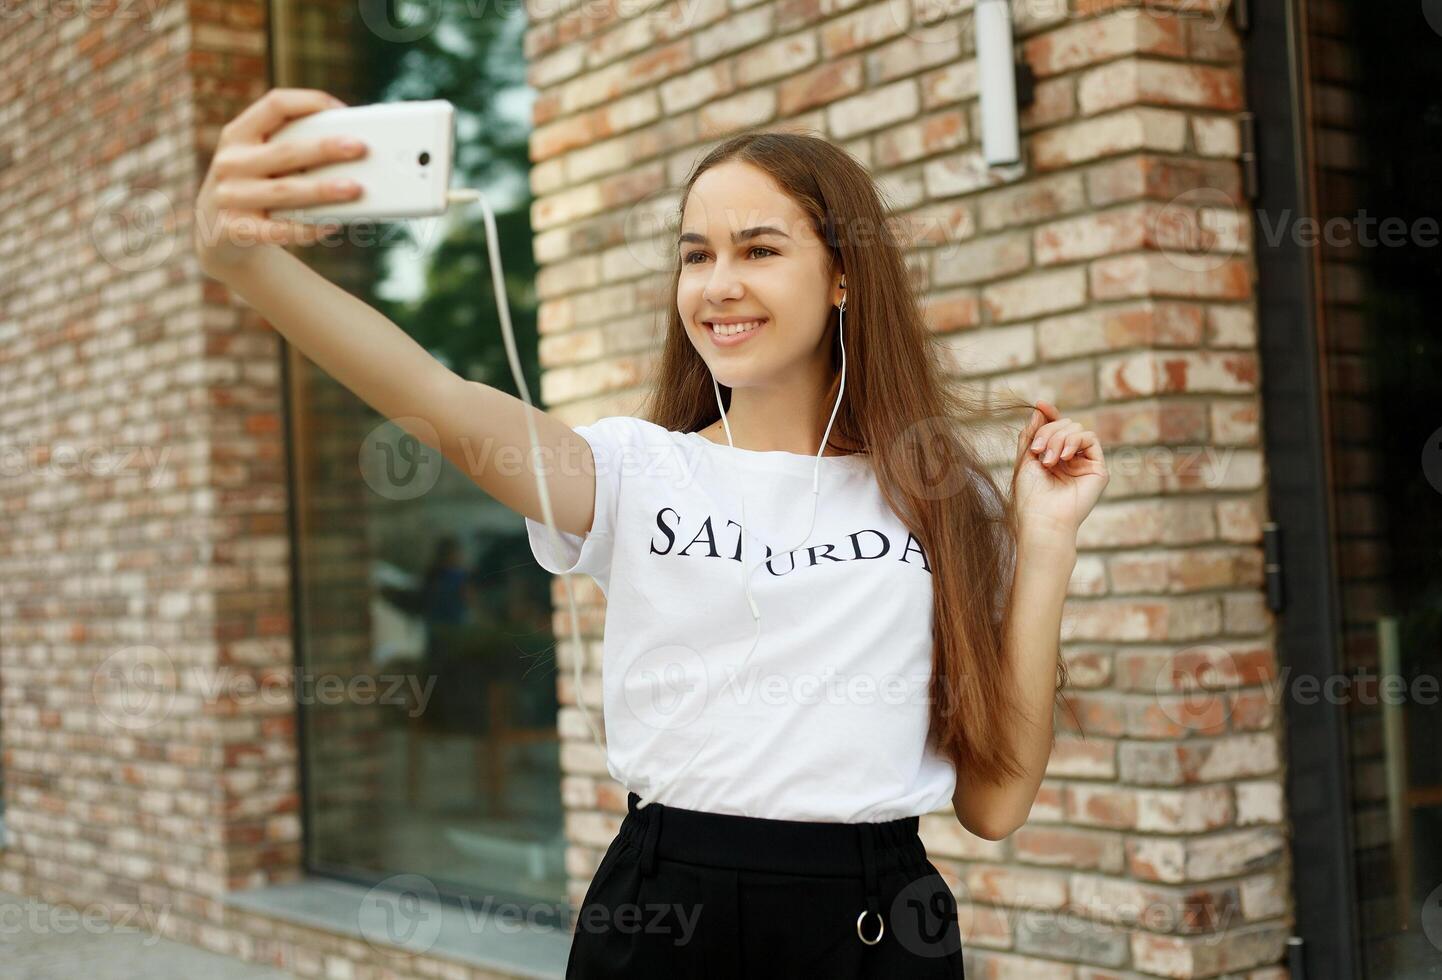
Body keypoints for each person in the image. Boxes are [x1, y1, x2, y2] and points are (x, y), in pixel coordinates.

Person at [195, 88, 1109, 978]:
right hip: (662, 916)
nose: (719, 286)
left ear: (843, 274)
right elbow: (438, 399)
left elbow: (994, 804)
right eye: (695, 255)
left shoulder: (945, 501)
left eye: (758, 249)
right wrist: (248, 263)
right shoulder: (634, 470)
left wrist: (1049, 538)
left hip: (871, 930)